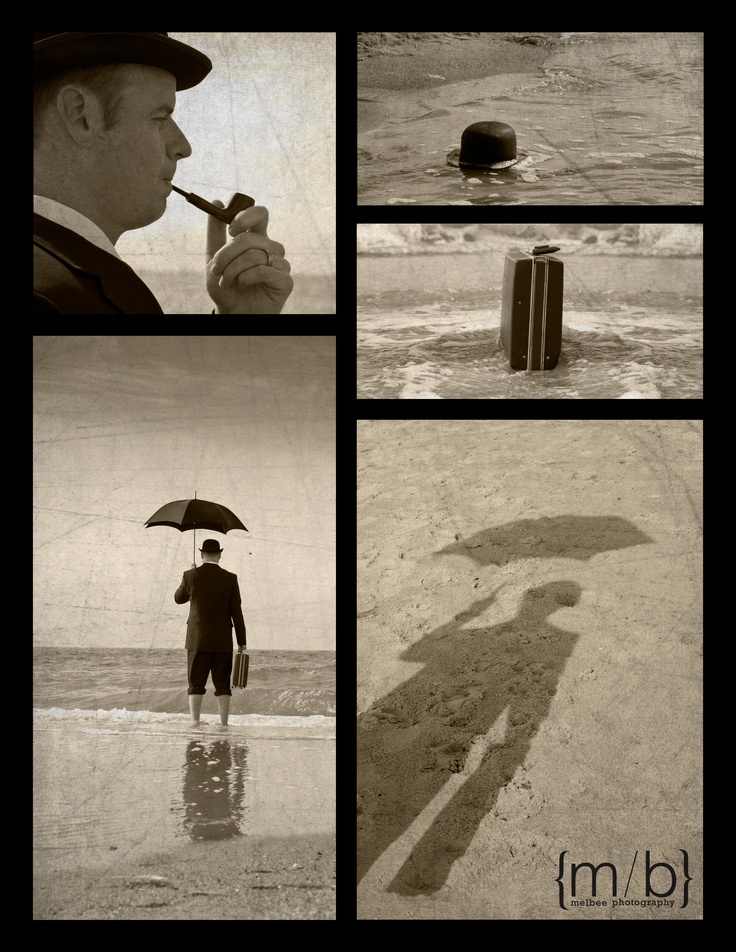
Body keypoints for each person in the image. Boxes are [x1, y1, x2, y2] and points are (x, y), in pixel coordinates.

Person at [33, 32, 293, 314]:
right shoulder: (48, 296)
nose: (183, 147)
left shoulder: (72, 280)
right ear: (80, 115)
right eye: (160, 117)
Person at [174, 538, 247, 728]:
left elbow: (178, 598)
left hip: (197, 639)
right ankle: (224, 724)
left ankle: (195, 722)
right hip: (222, 640)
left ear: (201, 554)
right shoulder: (230, 578)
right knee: (222, 683)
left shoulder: (190, 575)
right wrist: (241, 640)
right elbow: (236, 611)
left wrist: (189, 575)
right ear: (219, 555)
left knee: (196, 682)